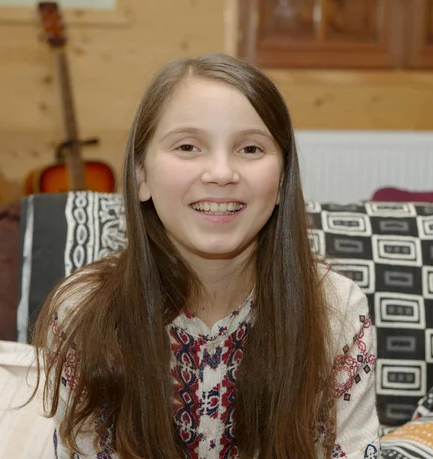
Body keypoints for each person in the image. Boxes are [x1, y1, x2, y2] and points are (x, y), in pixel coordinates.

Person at [29, 53, 381, 458]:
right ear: (141, 175)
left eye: (249, 148)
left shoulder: (338, 309)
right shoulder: (82, 312)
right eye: (188, 146)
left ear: (283, 180)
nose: (220, 172)